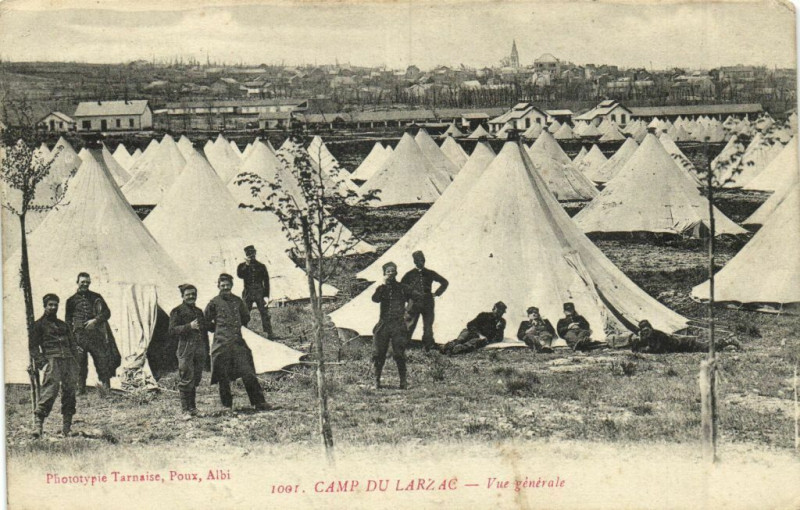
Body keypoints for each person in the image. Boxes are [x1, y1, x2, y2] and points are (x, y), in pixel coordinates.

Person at [205, 274, 269, 411]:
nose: (225, 288)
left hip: (237, 342)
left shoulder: (238, 301)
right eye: (222, 285)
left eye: (228, 285)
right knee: (223, 376)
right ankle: (227, 406)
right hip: (221, 344)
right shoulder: (213, 303)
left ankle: (259, 402)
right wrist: (217, 330)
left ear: (231, 285)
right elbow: (206, 322)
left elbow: (245, 317)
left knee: (248, 372)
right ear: (218, 286)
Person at [29, 294, 81, 438]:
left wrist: (76, 364)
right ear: (45, 306)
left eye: (55, 304)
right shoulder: (38, 325)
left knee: (70, 393)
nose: (53, 307)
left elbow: (72, 345)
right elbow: (33, 348)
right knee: (50, 392)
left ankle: (67, 429)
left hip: (68, 362)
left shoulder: (63, 325)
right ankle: (38, 427)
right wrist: (42, 364)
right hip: (52, 361)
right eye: (50, 305)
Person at [66, 272, 121, 394]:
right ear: (77, 282)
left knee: (102, 361)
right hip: (80, 337)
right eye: (82, 282)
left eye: (87, 282)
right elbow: (68, 321)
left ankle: (106, 387)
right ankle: (81, 389)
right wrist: (72, 339)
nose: (85, 284)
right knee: (80, 363)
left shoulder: (96, 296)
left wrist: (95, 321)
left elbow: (107, 313)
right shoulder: (71, 301)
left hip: (96, 336)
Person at [169, 284, 209, 418]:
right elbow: (172, 330)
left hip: (199, 348)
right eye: (188, 294)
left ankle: (193, 408)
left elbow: (204, 332)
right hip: (185, 347)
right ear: (182, 296)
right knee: (186, 378)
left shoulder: (199, 311)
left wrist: (206, 350)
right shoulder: (177, 311)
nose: (191, 296)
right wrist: (189, 326)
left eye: (193, 294)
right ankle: (185, 410)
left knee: (196, 378)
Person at [371, 262, 412, 389]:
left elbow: (414, 298)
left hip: (398, 324)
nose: (390, 273)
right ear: (384, 273)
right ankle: (376, 381)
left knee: (399, 353)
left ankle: (403, 382)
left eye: (393, 271)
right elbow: (375, 299)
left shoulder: (402, 287)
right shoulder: (381, 288)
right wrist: (383, 285)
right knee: (378, 353)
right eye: (388, 271)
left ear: (396, 273)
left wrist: (407, 311)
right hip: (383, 324)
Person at [400, 250, 448, 352]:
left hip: (428, 302)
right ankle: (403, 345)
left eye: (422, 260)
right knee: (409, 324)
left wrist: (437, 293)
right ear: (414, 262)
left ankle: (428, 345)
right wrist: (407, 300)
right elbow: (401, 287)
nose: (420, 262)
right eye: (418, 260)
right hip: (414, 303)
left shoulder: (430, 273)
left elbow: (444, 282)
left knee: (428, 325)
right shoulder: (409, 274)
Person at [628, 320, 742, 353]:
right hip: (684, 344)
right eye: (643, 332)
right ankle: (728, 344)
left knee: (708, 348)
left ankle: (728, 341)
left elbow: (658, 349)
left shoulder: (657, 335)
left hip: (686, 344)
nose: (645, 333)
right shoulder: (653, 335)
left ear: (649, 328)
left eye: (646, 331)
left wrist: (643, 348)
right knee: (708, 347)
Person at [441, 301, 507, 355]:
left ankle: (457, 349)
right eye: (498, 311)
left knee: (473, 343)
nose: (499, 314)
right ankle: (447, 347)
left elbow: (499, 339)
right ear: (493, 309)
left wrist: (499, 329)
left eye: (501, 313)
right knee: (462, 337)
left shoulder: (502, 322)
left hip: (481, 338)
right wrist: (479, 334)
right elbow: (470, 325)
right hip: (472, 332)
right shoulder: (484, 315)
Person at [236, 245, 273, 337]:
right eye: (249, 253)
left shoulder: (261, 266)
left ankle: (269, 333)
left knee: (264, 312)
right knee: (244, 312)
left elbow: (266, 281)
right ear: (246, 254)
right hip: (248, 292)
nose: (251, 255)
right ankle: (242, 332)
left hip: (259, 292)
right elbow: (240, 275)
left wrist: (266, 295)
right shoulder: (242, 266)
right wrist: (247, 265)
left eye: (252, 253)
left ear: (255, 253)